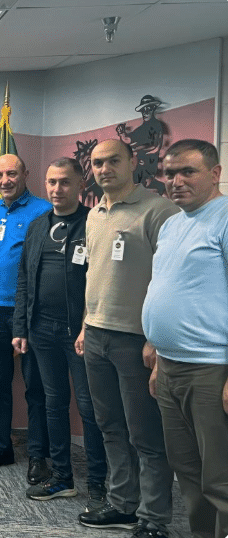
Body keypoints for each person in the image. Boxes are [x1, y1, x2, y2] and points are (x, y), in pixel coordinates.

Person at [76, 139, 178, 538]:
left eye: (113, 161)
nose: (104, 169)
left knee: (145, 434)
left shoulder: (158, 210)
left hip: (136, 339)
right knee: (110, 427)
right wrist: (86, 324)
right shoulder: (95, 213)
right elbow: (95, 274)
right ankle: (122, 505)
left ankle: (154, 518)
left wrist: (156, 338)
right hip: (97, 334)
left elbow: (170, 280)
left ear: (132, 161)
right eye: (97, 163)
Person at [11, 158, 107, 508]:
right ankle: (63, 478)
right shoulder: (38, 226)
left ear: (81, 184)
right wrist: (21, 327)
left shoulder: (94, 223)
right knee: (54, 403)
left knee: (89, 407)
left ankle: (97, 482)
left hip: (79, 333)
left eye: (64, 182)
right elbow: (24, 279)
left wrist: (87, 325)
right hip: (41, 330)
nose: (56, 189)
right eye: (51, 182)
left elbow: (102, 280)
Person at [143, 139, 227, 538]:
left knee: (221, 478)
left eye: (188, 172)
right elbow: (170, 288)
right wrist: (159, 357)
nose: (176, 181)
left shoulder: (224, 218)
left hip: (212, 369)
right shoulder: (173, 224)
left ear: (215, 173)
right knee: (188, 473)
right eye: (170, 173)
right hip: (171, 367)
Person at [0, 154, 52, 484]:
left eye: (11, 174)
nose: (5, 180)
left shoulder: (44, 210)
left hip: (29, 312)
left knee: (36, 386)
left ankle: (38, 455)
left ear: (25, 174)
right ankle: (1, 446)